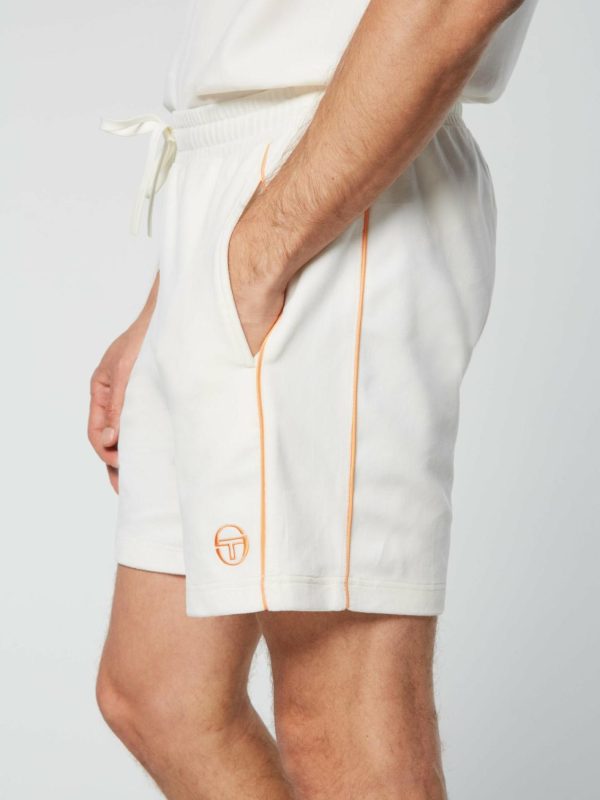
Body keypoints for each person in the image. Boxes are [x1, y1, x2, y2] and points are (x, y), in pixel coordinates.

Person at [89, 0, 538, 797]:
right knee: (158, 693)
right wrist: (173, 300)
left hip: (339, 173)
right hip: (230, 190)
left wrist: (263, 250)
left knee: (338, 721)